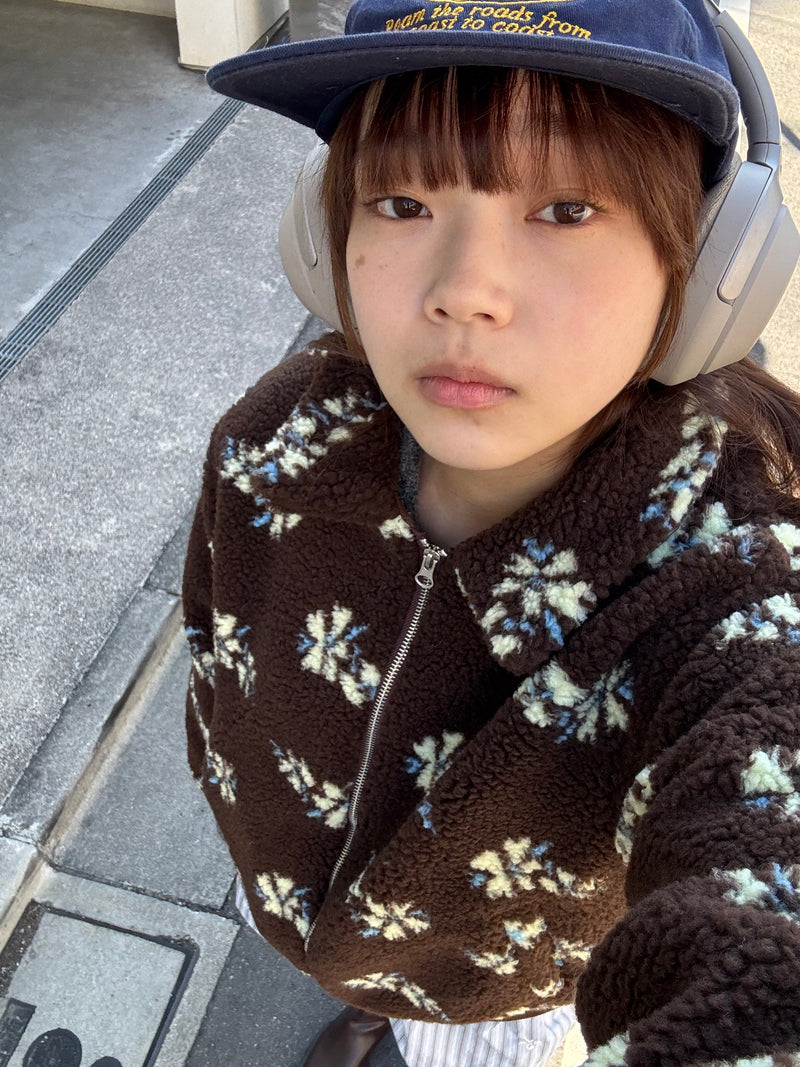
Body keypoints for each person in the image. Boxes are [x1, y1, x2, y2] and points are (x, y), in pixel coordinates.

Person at [182, 1, 800, 1064]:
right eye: (401, 201)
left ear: (706, 264)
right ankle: (366, 1001)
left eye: (565, 208)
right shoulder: (273, 438)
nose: (462, 292)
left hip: (504, 1000)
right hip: (285, 897)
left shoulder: (731, 578)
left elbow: (757, 873)